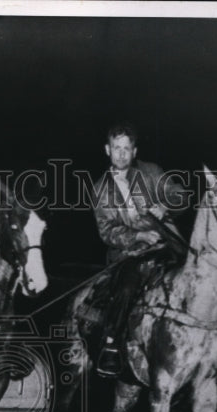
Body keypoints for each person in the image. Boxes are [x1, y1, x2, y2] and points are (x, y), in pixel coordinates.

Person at [90, 123, 189, 377]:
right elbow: (107, 230)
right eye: (116, 148)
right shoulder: (100, 189)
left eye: (126, 148)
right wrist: (139, 236)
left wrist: (165, 205)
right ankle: (111, 346)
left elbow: (181, 194)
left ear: (134, 151)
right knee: (125, 288)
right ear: (107, 150)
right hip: (128, 255)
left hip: (167, 245)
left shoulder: (151, 172)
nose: (121, 154)